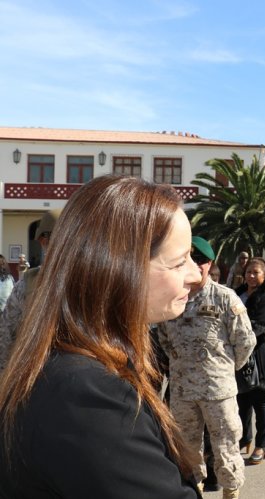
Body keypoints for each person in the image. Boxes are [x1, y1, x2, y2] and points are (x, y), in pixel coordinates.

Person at [0, 175, 204, 497]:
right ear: (118, 269)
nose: (195, 274)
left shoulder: (77, 367)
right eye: (179, 262)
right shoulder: (91, 398)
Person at [157, 236, 256, 499]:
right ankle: (195, 490)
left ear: (209, 264)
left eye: (200, 261)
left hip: (218, 391)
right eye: (189, 259)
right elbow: (164, 339)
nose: (195, 265)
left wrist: (221, 370)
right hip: (182, 393)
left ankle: (231, 492)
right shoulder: (174, 298)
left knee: (226, 448)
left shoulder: (225, 298)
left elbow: (245, 342)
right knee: (187, 449)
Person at [0, 209, 61, 373]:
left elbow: (6, 338)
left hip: (37, 382)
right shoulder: (99, 281)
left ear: (42, 240)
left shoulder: (28, 285)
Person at [234, 257, 265, 465]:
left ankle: (262, 444)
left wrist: (238, 334)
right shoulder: (237, 293)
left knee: (260, 400)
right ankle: (245, 438)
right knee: (242, 400)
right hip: (238, 355)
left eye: (256, 272)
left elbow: (263, 326)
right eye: (249, 272)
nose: (251, 276)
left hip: (257, 354)